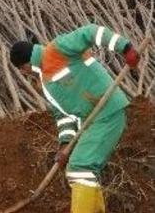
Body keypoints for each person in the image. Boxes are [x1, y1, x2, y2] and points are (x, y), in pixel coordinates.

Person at [9, 23, 140, 213]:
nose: (23, 73)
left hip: (107, 111)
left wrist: (124, 47)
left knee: (80, 167)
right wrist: (65, 144)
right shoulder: (45, 81)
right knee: (79, 170)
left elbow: (91, 32)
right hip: (93, 122)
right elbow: (62, 114)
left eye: (21, 69)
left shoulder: (57, 49)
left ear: (26, 63)